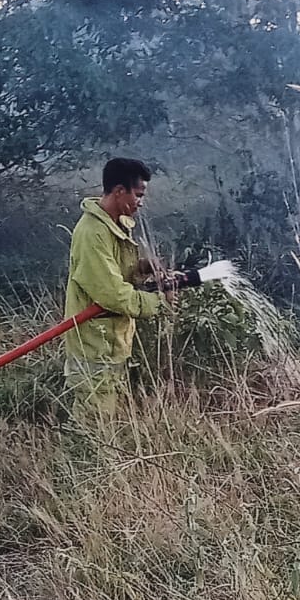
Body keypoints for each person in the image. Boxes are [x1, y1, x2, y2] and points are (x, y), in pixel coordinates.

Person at [62, 157, 199, 417]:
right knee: (94, 423)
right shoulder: (92, 233)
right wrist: (159, 301)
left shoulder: (115, 224)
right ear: (119, 191)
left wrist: (142, 267)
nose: (141, 202)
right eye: (138, 195)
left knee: (110, 416)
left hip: (113, 342)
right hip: (94, 344)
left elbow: (117, 273)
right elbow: (112, 294)